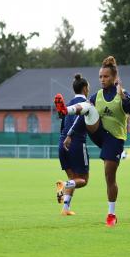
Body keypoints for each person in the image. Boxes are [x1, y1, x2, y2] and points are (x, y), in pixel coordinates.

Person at [53, 56, 130, 227]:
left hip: (114, 140)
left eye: (106, 77)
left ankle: (111, 214)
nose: (102, 80)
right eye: (100, 77)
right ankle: (66, 110)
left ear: (114, 78)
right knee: (88, 107)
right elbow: (83, 117)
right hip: (99, 133)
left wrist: (124, 99)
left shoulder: (122, 93)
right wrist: (70, 134)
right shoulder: (96, 95)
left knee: (109, 176)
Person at [55, 74, 91, 216]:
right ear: (85, 88)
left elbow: (62, 125)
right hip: (76, 144)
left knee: (73, 180)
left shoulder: (67, 105)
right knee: (83, 180)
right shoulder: (86, 105)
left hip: (62, 144)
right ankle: (63, 187)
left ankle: (65, 208)